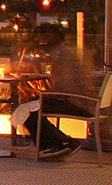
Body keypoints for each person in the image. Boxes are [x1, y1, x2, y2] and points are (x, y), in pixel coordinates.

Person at [12, 24, 85, 160]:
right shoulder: (67, 52)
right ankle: (57, 142)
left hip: (72, 100)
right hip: (77, 98)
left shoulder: (64, 55)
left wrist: (45, 93)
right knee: (31, 107)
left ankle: (56, 144)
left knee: (26, 109)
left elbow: (64, 83)